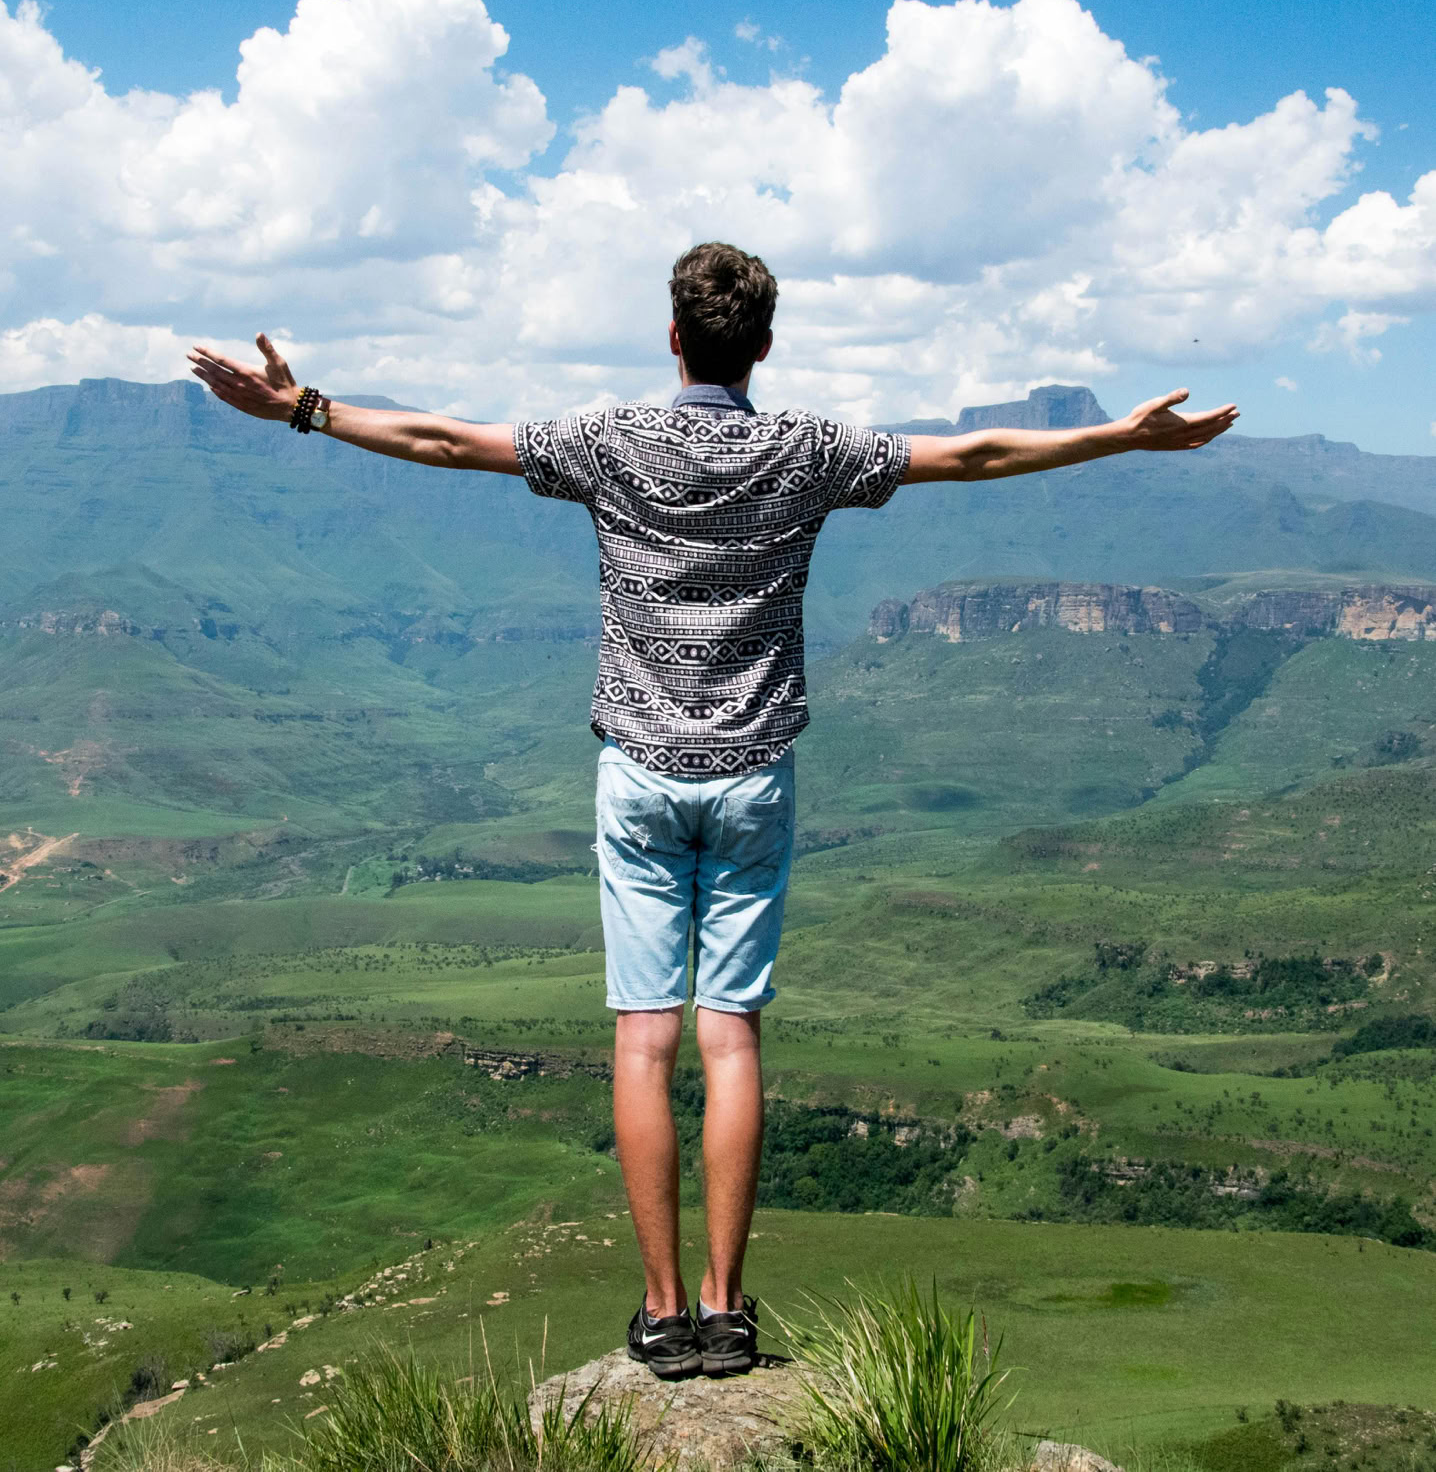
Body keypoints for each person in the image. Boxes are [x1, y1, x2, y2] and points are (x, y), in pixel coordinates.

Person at [188, 241, 1238, 1380]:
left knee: (643, 1038)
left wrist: (302, 408)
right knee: (727, 1034)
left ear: (674, 337)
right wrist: (1123, 436)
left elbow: (445, 441)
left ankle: (658, 1312)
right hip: (752, 779)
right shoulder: (807, 450)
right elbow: (975, 453)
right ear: (765, 345)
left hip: (637, 776)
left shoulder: (609, 440)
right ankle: (728, 1310)